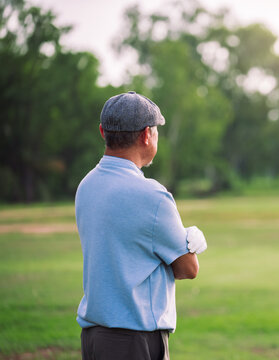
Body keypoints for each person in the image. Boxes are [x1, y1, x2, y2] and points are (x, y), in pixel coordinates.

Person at [75, 91, 208, 360]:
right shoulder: (152, 195)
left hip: (94, 338)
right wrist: (189, 239)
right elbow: (187, 269)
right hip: (134, 339)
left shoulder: (86, 185)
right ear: (147, 135)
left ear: (103, 131)